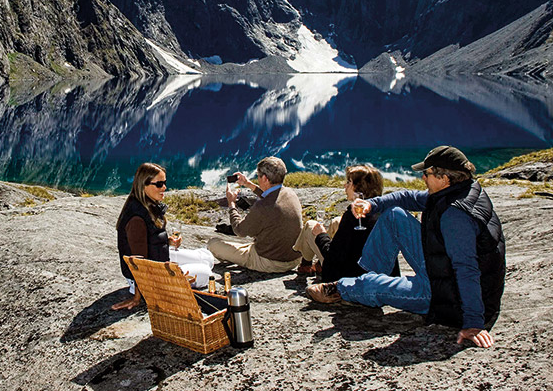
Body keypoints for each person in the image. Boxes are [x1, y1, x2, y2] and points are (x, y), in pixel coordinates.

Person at [306, 146, 506, 349]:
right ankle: (363, 282)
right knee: (394, 215)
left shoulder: (455, 216)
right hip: (442, 270)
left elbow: (466, 269)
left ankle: (346, 288)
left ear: (444, 177)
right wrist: (372, 204)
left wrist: (473, 323)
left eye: (426, 174)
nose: (423, 179)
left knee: (374, 286)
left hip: (447, 297)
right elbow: (407, 197)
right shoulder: (461, 191)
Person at [112, 162, 216, 310]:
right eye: (159, 184)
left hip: (158, 257)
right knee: (205, 273)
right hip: (147, 276)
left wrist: (168, 242)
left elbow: (148, 240)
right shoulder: (136, 218)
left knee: (207, 257)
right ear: (144, 185)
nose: (164, 188)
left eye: (164, 183)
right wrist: (138, 298)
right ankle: (137, 290)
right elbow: (138, 263)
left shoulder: (148, 204)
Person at [294, 164, 398, 282]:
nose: (345, 185)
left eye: (349, 182)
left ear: (359, 188)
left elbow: (333, 257)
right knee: (336, 221)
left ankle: (306, 265)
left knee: (311, 226)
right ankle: (316, 265)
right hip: (380, 276)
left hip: (348, 277)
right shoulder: (383, 211)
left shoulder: (352, 216)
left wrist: (321, 235)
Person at [206, 156, 303, 273]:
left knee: (213, 244)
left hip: (269, 262)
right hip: (294, 259)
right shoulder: (290, 193)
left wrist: (231, 204)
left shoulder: (262, 206)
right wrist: (248, 184)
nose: (257, 178)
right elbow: (271, 197)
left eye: (258, 176)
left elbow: (240, 231)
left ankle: (236, 258)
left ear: (265, 178)